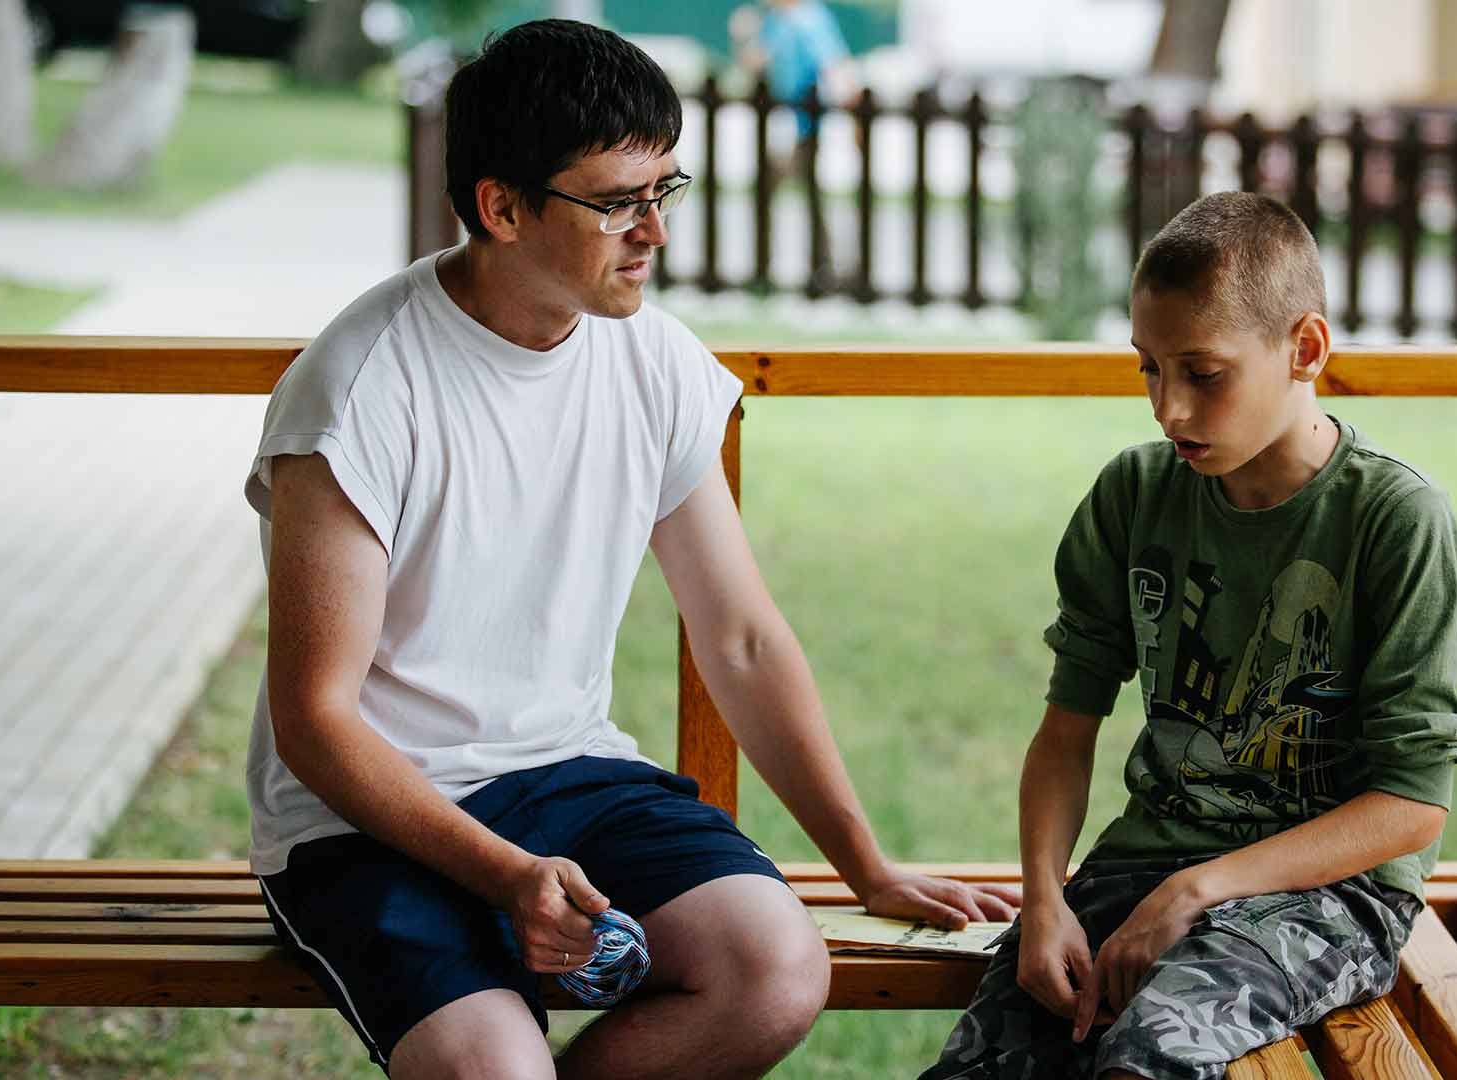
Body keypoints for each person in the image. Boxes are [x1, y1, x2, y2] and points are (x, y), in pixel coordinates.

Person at [242, 19, 1018, 1079]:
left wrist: (866, 864)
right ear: (500, 208)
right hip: (365, 817)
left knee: (778, 969)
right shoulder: (361, 389)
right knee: (492, 1071)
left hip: (569, 770)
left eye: (665, 191)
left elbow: (739, 638)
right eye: (616, 202)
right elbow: (317, 723)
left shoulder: (652, 360)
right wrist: (509, 874)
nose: (653, 231)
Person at [921, 191, 1457, 1080]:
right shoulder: (1134, 495)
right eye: (1147, 369)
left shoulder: (1395, 518)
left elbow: (1412, 804)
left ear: (1306, 349)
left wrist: (1198, 888)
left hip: (1329, 894)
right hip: (1140, 866)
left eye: (1203, 374)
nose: (1166, 409)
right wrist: (1046, 900)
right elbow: (1067, 730)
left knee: (1149, 1060)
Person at [731, 0, 852, 288]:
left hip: (805, 126)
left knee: (798, 192)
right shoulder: (776, 21)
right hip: (784, 123)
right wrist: (743, 36)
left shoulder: (809, 19)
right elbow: (755, 61)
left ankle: (824, 267)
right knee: (783, 191)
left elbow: (833, 64)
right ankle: (815, 266)